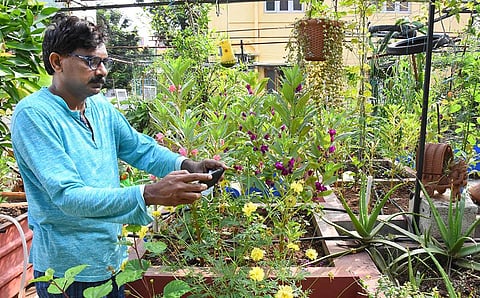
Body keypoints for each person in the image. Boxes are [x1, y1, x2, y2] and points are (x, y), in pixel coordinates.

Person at [11, 13, 226, 298]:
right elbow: (67, 196)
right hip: (68, 273)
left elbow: (138, 147)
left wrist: (186, 164)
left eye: (104, 61)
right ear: (56, 62)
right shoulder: (34, 115)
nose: (101, 71)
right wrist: (148, 193)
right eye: (90, 61)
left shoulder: (97, 106)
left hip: (110, 259)